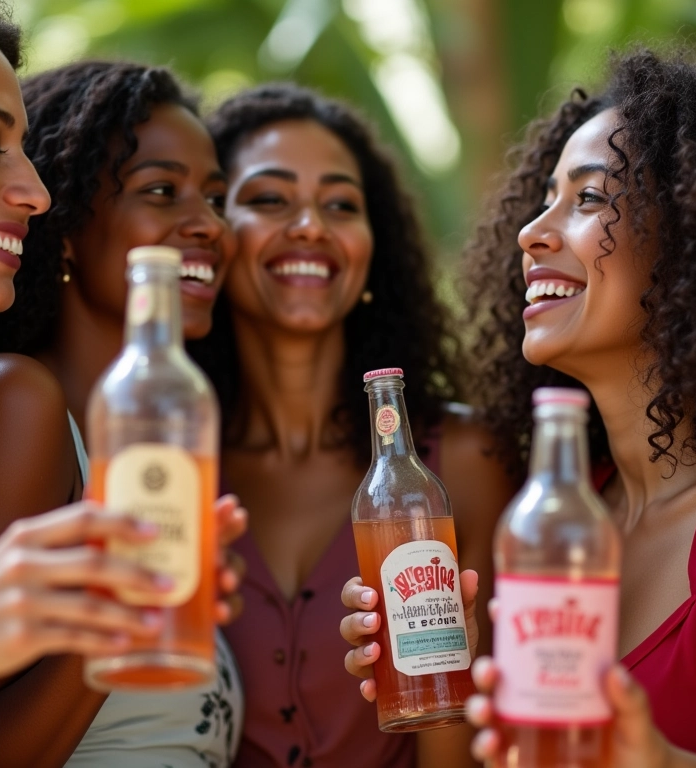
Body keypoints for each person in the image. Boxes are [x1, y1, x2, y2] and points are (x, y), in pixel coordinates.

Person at [348, 48, 696, 766]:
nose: (531, 232)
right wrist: (452, 679)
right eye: (544, 196)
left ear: (692, 232)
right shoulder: (553, 525)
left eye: (587, 198)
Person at [188, 83, 514, 768]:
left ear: (374, 250)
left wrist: (447, 659)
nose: (310, 225)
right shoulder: (173, 472)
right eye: (269, 199)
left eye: (341, 204)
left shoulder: (461, 461)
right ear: (212, 233)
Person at [0, 3, 238, 768]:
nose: (208, 222)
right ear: (71, 222)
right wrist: (130, 600)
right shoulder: (15, 402)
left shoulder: (171, 444)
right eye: (160, 190)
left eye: (214, 195)